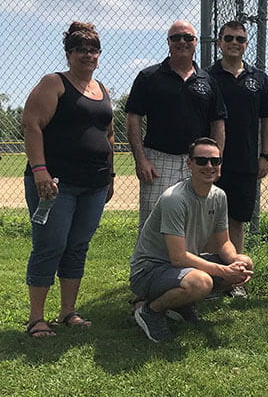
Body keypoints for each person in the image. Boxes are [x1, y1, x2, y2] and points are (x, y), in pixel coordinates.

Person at [22, 22, 114, 337]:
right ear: (69, 54)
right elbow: (32, 124)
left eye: (93, 50)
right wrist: (39, 170)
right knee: (51, 245)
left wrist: (110, 176)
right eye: (81, 50)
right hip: (56, 183)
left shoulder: (101, 89)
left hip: (95, 184)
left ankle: (67, 311)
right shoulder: (54, 83)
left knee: (77, 246)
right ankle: (37, 318)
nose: (88, 55)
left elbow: (108, 134)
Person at [130, 137, 254, 342]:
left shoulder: (219, 196)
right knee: (200, 282)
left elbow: (224, 242)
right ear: (189, 164)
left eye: (215, 161)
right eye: (201, 161)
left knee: (244, 261)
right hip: (150, 270)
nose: (209, 166)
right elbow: (178, 258)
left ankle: (182, 304)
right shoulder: (174, 199)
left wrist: (235, 264)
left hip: (181, 269)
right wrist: (224, 271)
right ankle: (149, 311)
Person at [125, 20, 227, 231]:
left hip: (197, 161)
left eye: (188, 37)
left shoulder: (207, 81)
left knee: (195, 222)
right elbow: (133, 117)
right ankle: (149, 264)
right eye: (176, 38)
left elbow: (218, 123)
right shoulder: (149, 77)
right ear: (168, 42)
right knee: (153, 222)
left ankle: (187, 264)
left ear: (196, 42)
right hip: (159, 159)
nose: (182, 42)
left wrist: (214, 161)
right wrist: (141, 159)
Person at [207, 21, 268, 259]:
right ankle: (209, 276)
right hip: (211, 162)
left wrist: (265, 156)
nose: (234, 43)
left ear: (246, 45)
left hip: (245, 161)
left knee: (236, 221)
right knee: (207, 219)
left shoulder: (259, 79)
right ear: (219, 43)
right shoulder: (207, 77)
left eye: (239, 39)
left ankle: (233, 276)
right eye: (228, 38)